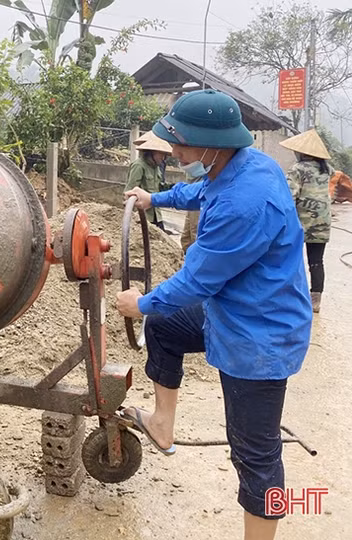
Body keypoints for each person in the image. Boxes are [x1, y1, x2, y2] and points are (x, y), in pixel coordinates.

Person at [116, 90, 312, 540]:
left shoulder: (246, 202)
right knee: (164, 326)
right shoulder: (238, 166)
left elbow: (197, 281)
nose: (174, 150)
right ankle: (161, 425)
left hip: (259, 337)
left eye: (179, 144)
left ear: (211, 145)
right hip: (233, 312)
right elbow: (200, 190)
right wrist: (155, 199)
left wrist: (140, 303)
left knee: (255, 453)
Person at [279, 129, 333, 313]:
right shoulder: (326, 170)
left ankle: (290, 296)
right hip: (323, 224)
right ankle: (315, 301)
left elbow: (289, 196)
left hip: (301, 223)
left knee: (291, 258)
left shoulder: (298, 169)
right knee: (316, 261)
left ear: (302, 152)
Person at [126, 134, 172, 231]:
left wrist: (171, 187)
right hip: (144, 216)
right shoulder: (139, 166)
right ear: (152, 153)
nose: (163, 158)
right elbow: (130, 191)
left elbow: (159, 187)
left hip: (156, 215)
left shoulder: (156, 167)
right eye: (161, 154)